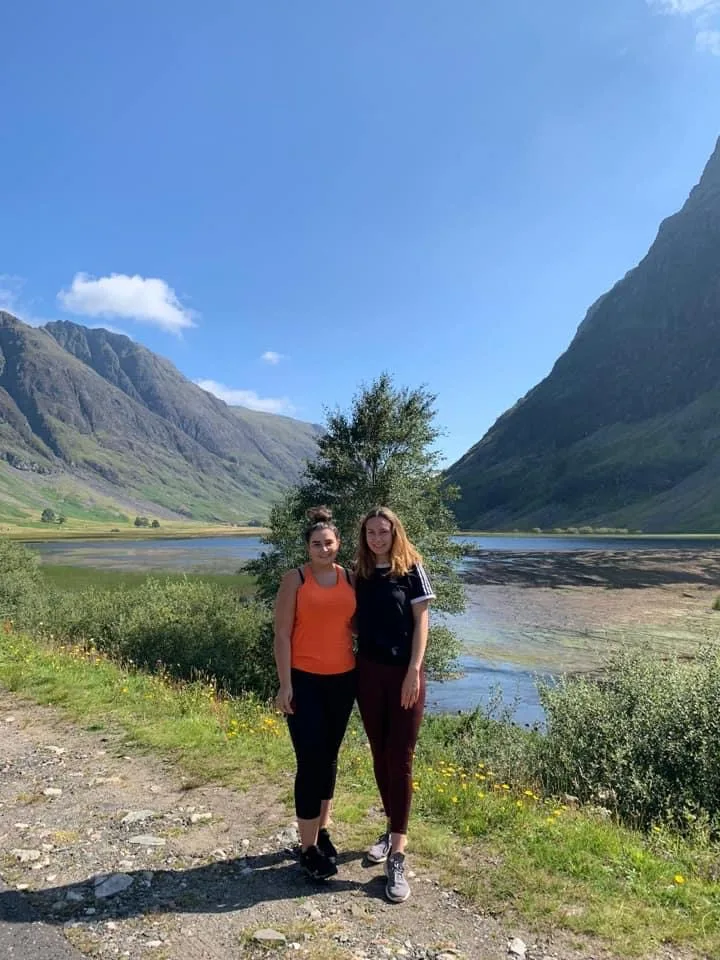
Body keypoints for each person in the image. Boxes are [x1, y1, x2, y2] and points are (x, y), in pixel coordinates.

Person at [354, 506, 435, 903]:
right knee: (379, 753)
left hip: (404, 673)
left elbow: (422, 622)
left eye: (383, 532)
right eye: (370, 532)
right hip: (367, 673)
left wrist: (413, 671)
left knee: (400, 758)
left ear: (395, 532)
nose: (377, 538)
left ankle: (398, 853)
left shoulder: (412, 569)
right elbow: (352, 619)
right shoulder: (361, 574)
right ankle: (390, 829)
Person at [273, 506, 356, 881]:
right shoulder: (296, 580)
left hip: (343, 680)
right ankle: (306, 848)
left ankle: (322, 830)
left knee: (330, 757)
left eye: (329, 543)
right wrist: (285, 683)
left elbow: (358, 626)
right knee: (310, 762)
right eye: (316, 544)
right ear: (307, 547)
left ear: (338, 544)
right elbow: (282, 635)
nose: (323, 549)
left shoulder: (351, 579)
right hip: (304, 680)